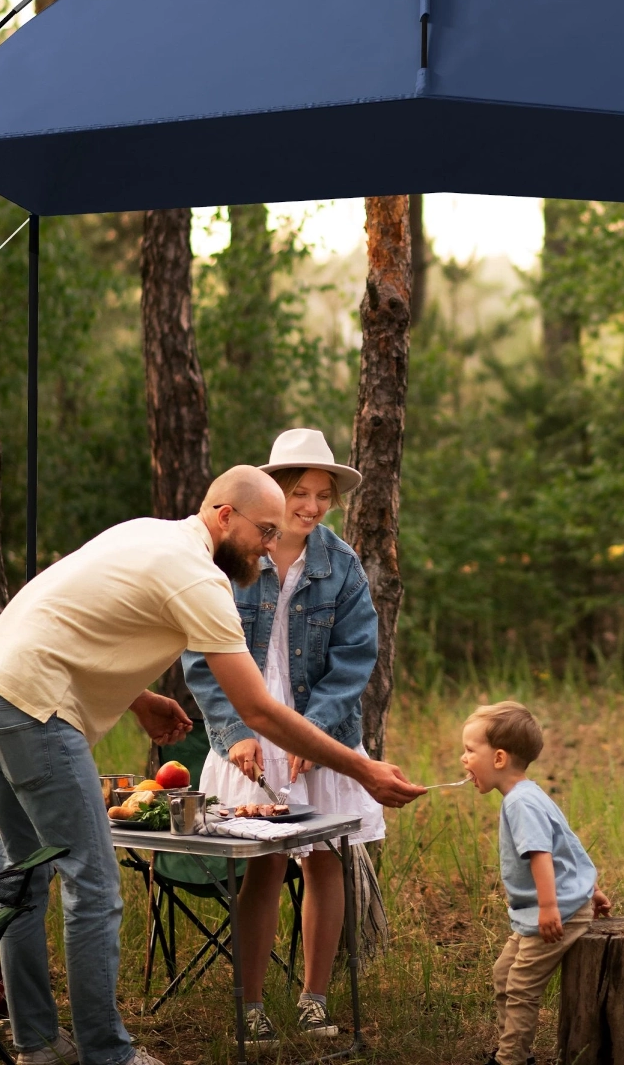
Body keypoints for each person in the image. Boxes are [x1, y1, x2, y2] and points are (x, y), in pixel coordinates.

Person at [0, 465, 424, 1065]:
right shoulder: (201, 580)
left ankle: (39, 1045)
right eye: (264, 530)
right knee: (92, 885)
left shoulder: (145, 531)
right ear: (225, 516)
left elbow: (67, 622)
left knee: (23, 875)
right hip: (35, 711)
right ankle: (108, 1054)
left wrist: (140, 698)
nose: (269, 546)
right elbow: (258, 710)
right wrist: (364, 771)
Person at [184, 428, 382, 1044]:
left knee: (326, 861)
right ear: (276, 492)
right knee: (265, 865)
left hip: (320, 730)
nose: (313, 506)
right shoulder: (234, 555)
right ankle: (250, 1007)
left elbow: (354, 658)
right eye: (301, 493)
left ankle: (314, 1000)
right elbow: (201, 655)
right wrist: (236, 732)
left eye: (324, 495)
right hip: (250, 733)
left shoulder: (341, 564)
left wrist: (313, 734)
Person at [459, 701, 612, 1065]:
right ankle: (514, 1050)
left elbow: (542, 855)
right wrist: (592, 889)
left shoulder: (520, 804)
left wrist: (549, 908)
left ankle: (511, 1059)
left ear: (498, 758)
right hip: (549, 906)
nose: (463, 759)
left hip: (557, 911)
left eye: (469, 751)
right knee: (503, 974)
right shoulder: (529, 793)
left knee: (521, 986)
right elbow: (568, 844)